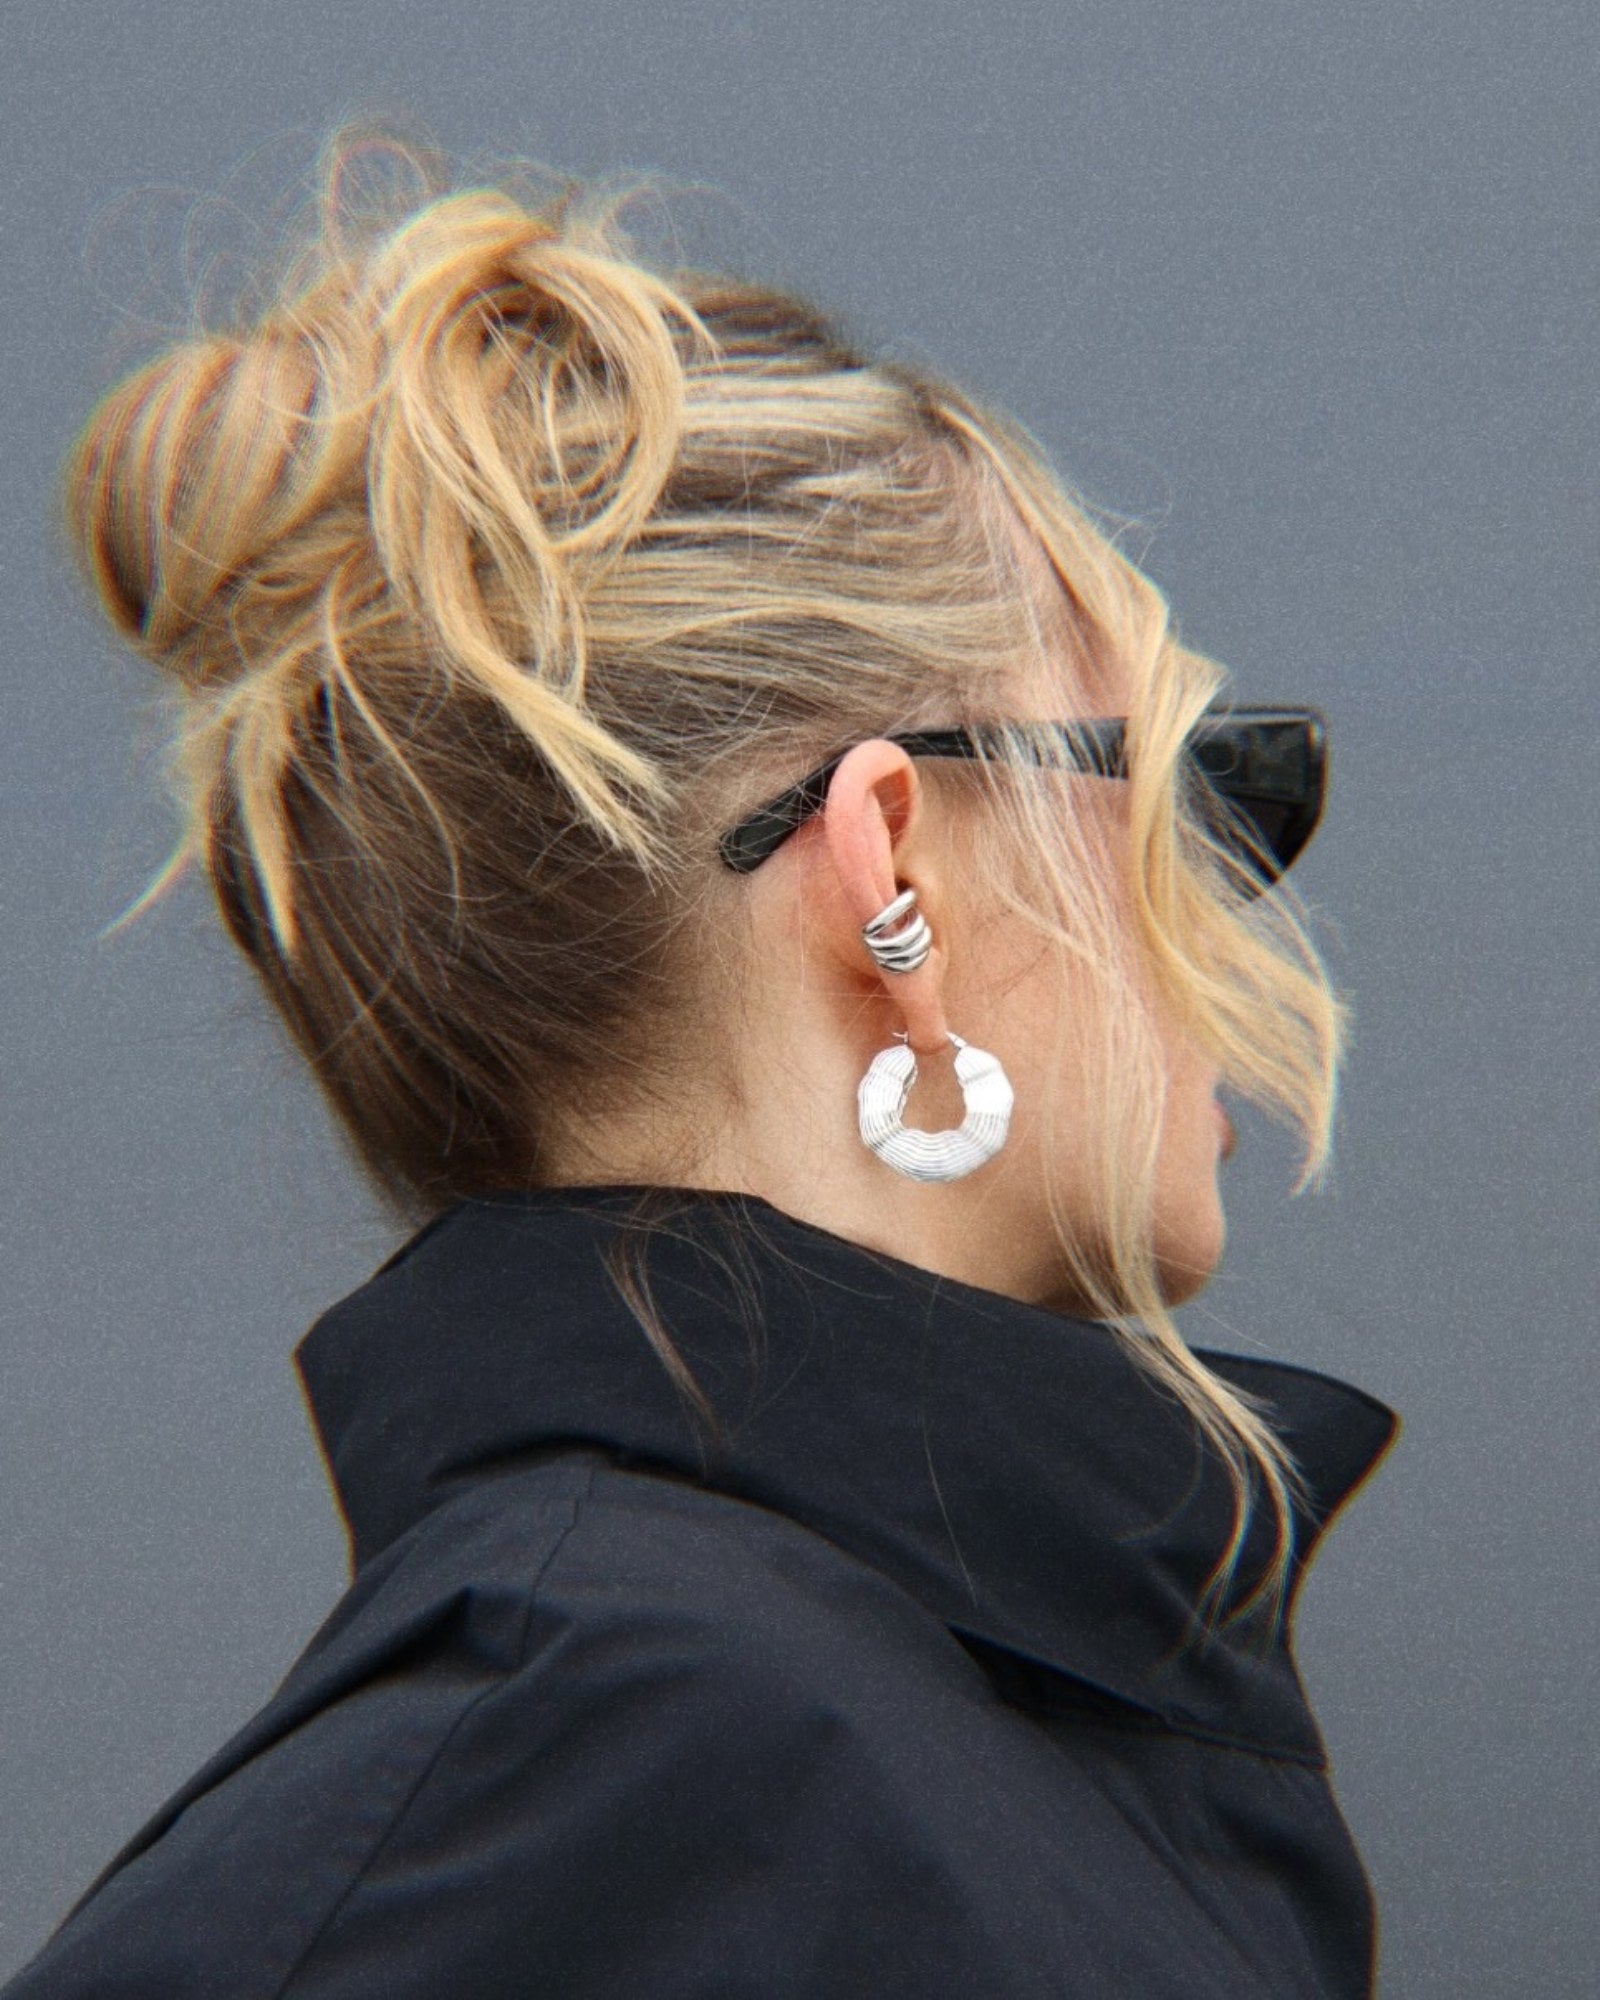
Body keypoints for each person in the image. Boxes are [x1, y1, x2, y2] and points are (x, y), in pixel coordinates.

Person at [9, 119, 1400, 1998]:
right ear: (892, 871)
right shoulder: (653, 1779)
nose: (1223, 910)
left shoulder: (718, 1747)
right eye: (1182, 793)